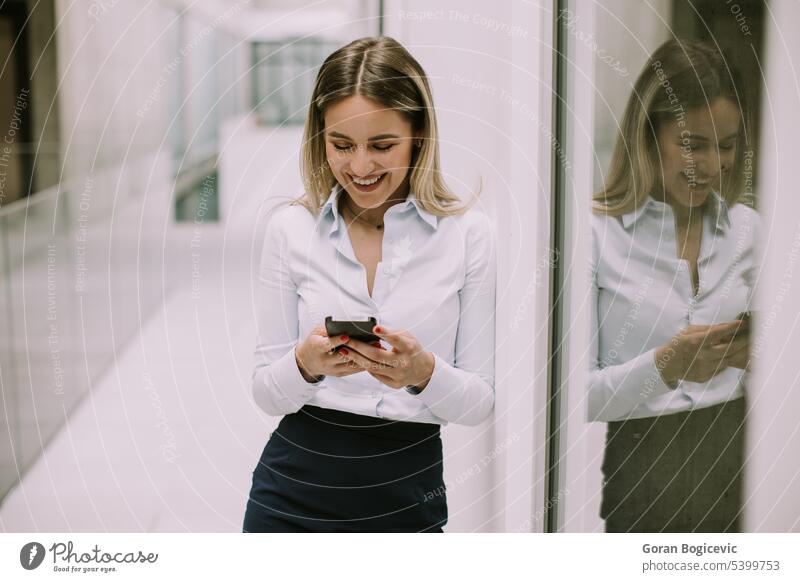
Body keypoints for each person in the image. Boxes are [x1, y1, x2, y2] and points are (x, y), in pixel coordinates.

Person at [243, 36, 496, 533]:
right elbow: (265, 393)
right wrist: (305, 365)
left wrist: (422, 372)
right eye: (341, 146)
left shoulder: (469, 235)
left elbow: (480, 402)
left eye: (382, 146)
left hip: (407, 501)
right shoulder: (290, 230)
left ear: (418, 135)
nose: (360, 167)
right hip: (291, 496)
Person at [588, 38, 760, 532]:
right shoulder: (594, 237)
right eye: (690, 144)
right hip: (640, 474)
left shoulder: (751, 231)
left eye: (725, 146)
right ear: (647, 134)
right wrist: (665, 366)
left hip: (739, 464)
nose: (709, 165)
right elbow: (570, 398)